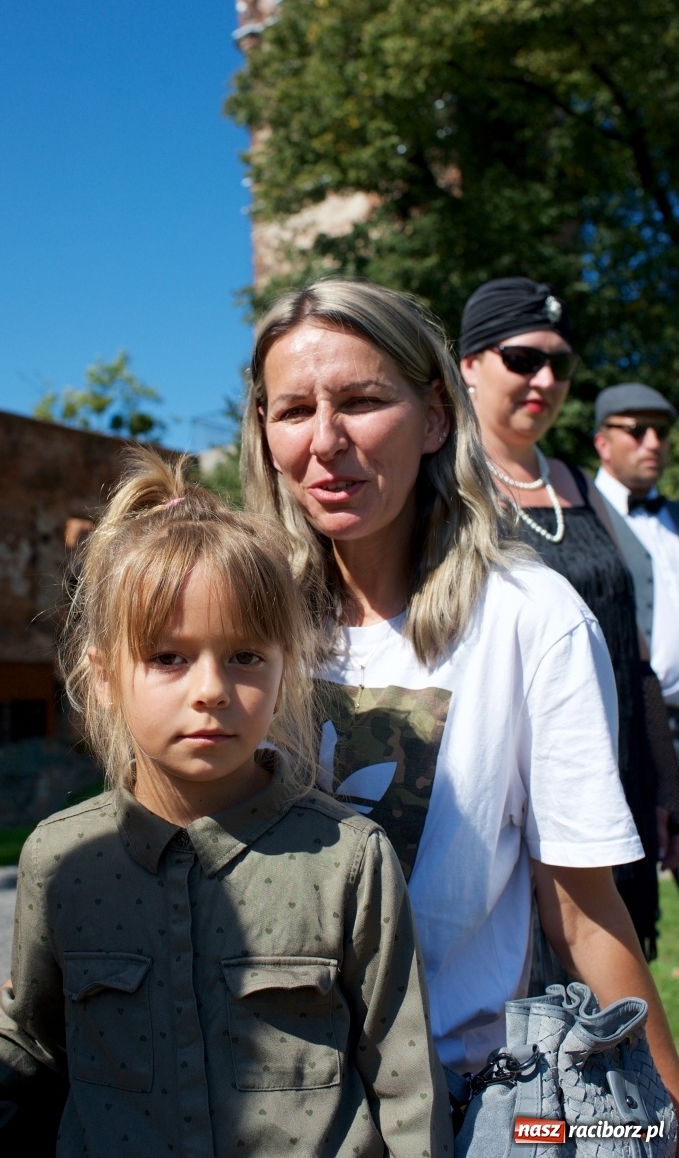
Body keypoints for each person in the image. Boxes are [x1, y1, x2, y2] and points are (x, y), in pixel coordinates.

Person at [0, 450, 450, 1158]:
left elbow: (405, 1087)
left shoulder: (348, 860)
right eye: (168, 658)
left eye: (245, 656)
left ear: (283, 668)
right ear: (105, 675)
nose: (211, 689)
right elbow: (34, 1038)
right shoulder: (62, 861)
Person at [239, 276, 679, 1098]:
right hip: (250, 1092)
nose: (326, 440)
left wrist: (666, 1109)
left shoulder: (534, 621)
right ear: (263, 433)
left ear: (437, 416)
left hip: (450, 1097)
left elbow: (582, 915)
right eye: (293, 410)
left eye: (363, 401)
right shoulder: (236, 622)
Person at [459, 277, 679, 961]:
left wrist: (665, 780)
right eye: (523, 359)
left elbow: (632, 650)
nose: (545, 379)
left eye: (560, 364)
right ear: (470, 364)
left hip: (616, 774)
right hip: (519, 803)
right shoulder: (447, 490)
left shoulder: (580, 485)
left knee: (616, 996)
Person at [594, 383, 679, 744]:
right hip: (626, 729)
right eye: (636, 431)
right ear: (603, 443)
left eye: (660, 432)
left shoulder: (674, 514)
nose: (653, 443)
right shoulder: (581, 518)